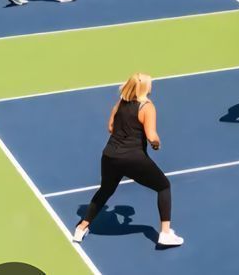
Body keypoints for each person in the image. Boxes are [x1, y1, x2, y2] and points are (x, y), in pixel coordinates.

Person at [72, 73, 183, 247]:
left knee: (105, 190)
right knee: (163, 186)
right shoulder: (147, 107)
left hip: (110, 156)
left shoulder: (121, 102)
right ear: (144, 88)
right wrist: (156, 143)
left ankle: (81, 228)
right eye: (150, 83)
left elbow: (110, 127)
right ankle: (166, 234)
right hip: (133, 159)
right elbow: (151, 136)